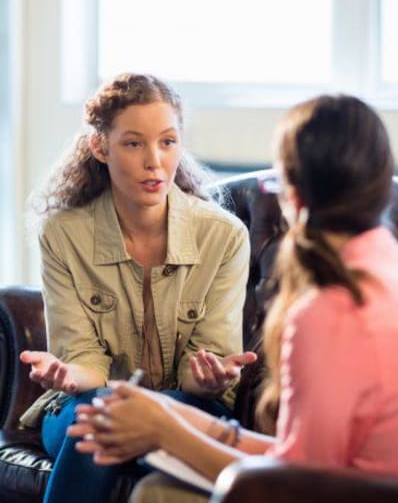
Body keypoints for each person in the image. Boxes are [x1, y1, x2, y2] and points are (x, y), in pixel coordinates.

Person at [69, 94, 398, 502]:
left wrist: (165, 432)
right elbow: (301, 458)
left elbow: (293, 486)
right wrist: (170, 414)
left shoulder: (329, 312)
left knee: (156, 493)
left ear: (293, 195)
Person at [18, 73, 256, 503]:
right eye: (133, 143)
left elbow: (203, 367)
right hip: (85, 402)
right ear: (100, 147)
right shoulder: (63, 233)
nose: (155, 161)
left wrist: (209, 377)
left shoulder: (225, 236)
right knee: (99, 415)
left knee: (128, 426)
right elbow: (84, 359)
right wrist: (68, 374)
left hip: (188, 404)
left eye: (167, 142)